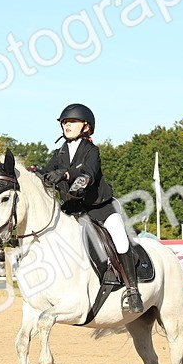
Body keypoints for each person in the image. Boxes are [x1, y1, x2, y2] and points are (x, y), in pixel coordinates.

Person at [39, 102, 142, 312]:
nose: (67, 125)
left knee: (120, 239)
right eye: (65, 122)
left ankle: (133, 290)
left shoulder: (91, 150)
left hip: (101, 208)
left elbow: (89, 174)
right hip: (73, 211)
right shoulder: (60, 153)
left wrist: (66, 175)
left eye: (72, 121)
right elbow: (46, 172)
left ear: (86, 126)